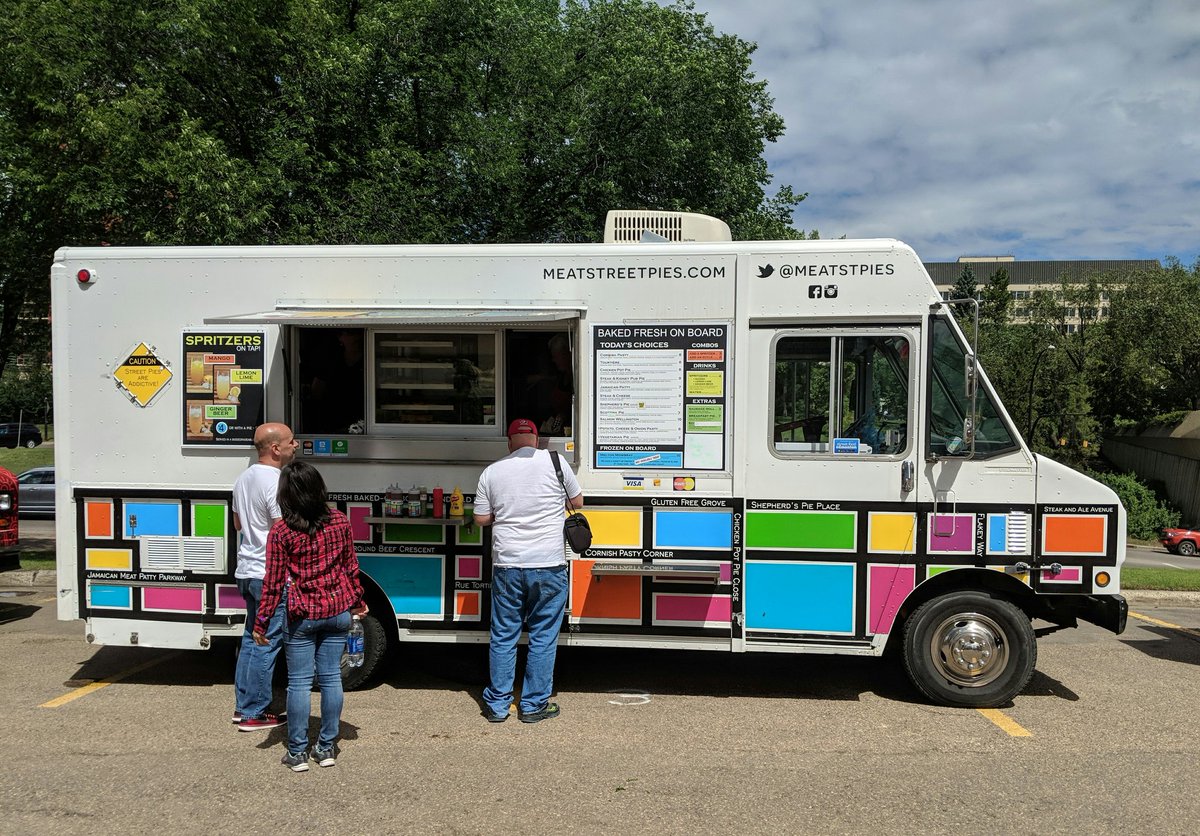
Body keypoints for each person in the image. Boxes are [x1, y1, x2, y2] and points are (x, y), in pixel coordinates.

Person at [254, 460, 368, 772]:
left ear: (286, 495)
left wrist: (261, 622)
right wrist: (357, 600)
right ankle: (327, 747)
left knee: (300, 683)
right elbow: (351, 567)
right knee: (331, 678)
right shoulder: (339, 522)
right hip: (337, 610)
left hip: (302, 615)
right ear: (319, 489)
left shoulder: (282, 531)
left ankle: (297, 752)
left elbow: (274, 582)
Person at [473, 417, 583, 723]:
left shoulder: (492, 471)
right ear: (536, 440)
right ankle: (534, 705)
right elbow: (578, 501)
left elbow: (481, 519)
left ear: (509, 443)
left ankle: (497, 705)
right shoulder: (555, 462)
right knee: (543, 636)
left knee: (504, 635)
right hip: (548, 564)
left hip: (508, 565)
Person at [231, 422, 298, 732]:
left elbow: (237, 524)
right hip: (268, 574)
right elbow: (283, 529)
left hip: (246, 570)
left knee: (250, 638)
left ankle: (243, 706)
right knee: (266, 642)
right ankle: (254, 712)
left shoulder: (243, 478)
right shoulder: (275, 482)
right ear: (275, 449)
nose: (295, 445)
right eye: (290, 441)